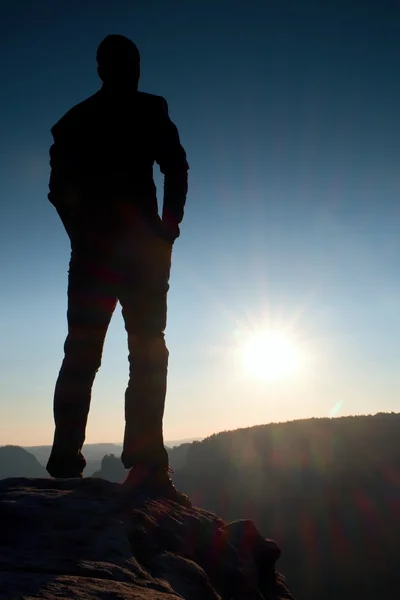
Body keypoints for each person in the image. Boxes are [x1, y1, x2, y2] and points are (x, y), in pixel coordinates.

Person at [46, 34, 190, 505]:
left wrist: (81, 234)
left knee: (87, 354)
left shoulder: (75, 121)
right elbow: (177, 166)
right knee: (145, 352)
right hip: (138, 255)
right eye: (128, 64)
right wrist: (167, 228)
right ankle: (144, 462)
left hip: (99, 256)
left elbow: (57, 189)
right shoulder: (148, 110)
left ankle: (68, 459)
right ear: (109, 69)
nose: (133, 72)